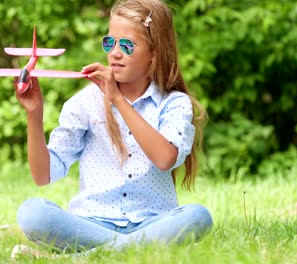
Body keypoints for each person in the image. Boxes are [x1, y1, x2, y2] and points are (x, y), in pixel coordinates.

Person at [13, 0, 213, 255]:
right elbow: (43, 176)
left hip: (153, 222)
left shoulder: (174, 103)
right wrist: (34, 113)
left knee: (198, 216)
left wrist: (117, 99)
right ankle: (127, 251)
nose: (115, 53)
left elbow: (165, 159)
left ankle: (81, 257)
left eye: (127, 45)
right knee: (32, 213)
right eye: (110, 43)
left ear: (154, 53)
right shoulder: (85, 102)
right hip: (90, 222)